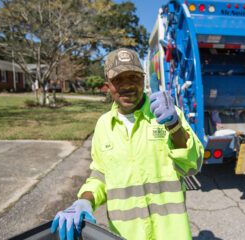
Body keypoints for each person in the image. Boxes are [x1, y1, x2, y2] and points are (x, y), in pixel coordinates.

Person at [51, 48, 204, 240]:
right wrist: (84, 201)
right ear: (107, 84)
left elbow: (193, 164)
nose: (127, 85)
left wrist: (174, 126)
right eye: (118, 79)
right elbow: (100, 175)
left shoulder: (169, 115)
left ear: (143, 79)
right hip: (126, 235)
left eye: (133, 77)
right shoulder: (104, 125)